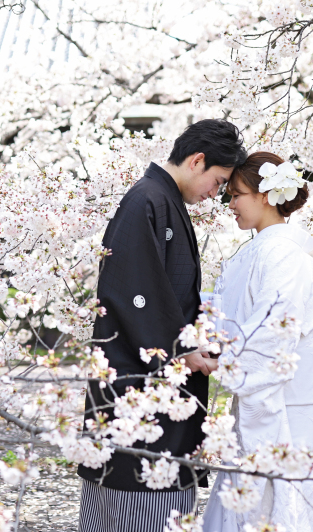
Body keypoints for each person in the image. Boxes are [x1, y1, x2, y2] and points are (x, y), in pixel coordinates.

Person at [77, 119, 247, 532]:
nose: (215, 195)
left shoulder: (161, 199)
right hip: (139, 380)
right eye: (218, 181)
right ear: (197, 160)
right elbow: (134, 292)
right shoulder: (147, 200)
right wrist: (182, 351)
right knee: (140, 493)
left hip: (152, 379)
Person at [202, 152, 313, 532]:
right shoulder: (263, 252)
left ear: (266, 195)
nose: (230, 204)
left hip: (284, 402)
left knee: (269, 502)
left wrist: (225, 361)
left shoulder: (278, 253)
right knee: (274, 505)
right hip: (273, 393)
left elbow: (275, 329)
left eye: (236, 195)